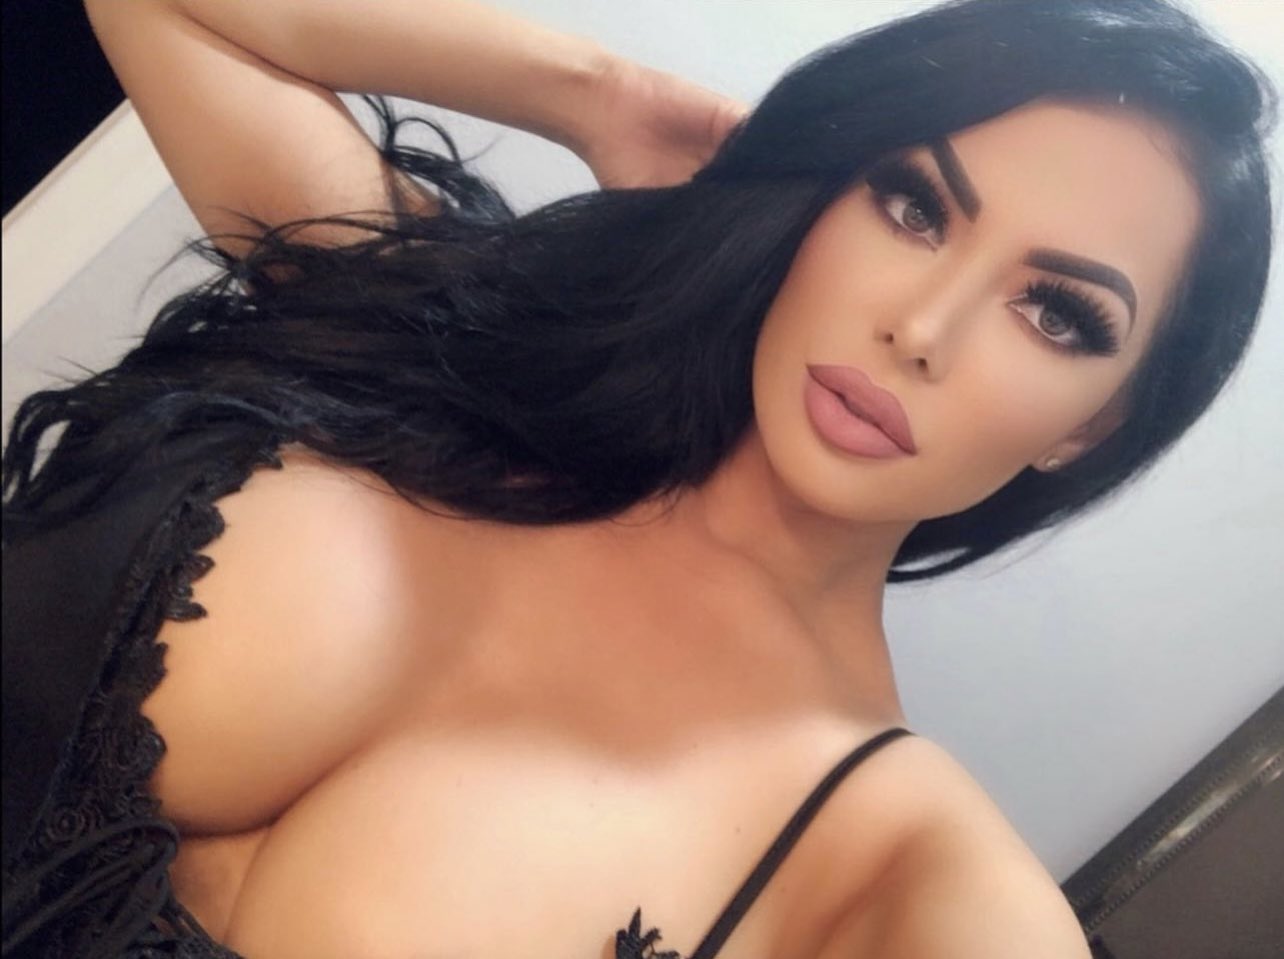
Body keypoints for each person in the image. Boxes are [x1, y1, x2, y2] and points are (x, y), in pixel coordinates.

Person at [1, 0, 1274, 956]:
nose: (924, 326)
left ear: (1091, 428)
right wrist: (593, 94)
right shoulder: (456, 331)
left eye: (1055, 314)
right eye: (914, 205)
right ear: (827, 189)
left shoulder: (902, 869)